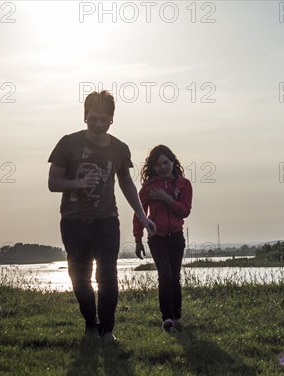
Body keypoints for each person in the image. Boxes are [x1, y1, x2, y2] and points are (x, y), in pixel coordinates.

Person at [48, 90, 156, 344]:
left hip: (106, 220)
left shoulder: (119, 148)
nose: (98, 124)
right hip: (74, 221)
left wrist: (142, 216)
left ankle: (107, 331)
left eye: (104, 119)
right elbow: (53, 182)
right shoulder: (68, 143)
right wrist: (79, 183)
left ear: (112, 120)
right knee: (79, 278)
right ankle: (90, 322)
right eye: (93, 118)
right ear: (85, 117)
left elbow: (127, 183)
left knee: (107, 274)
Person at [133, 145, 193, 332]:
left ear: (173, 162)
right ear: (153, 167)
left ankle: (176, 313)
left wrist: (166, 198)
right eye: (158, 164)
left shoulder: (184, 184)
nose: (163, 167)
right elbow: (139, 214)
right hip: (157, 238)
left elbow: (184, 212)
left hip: (176, 237)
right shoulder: (149, 187)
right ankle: (166, 317)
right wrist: (138, 239)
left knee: (174, 276)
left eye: (166, 162)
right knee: (164, 275)